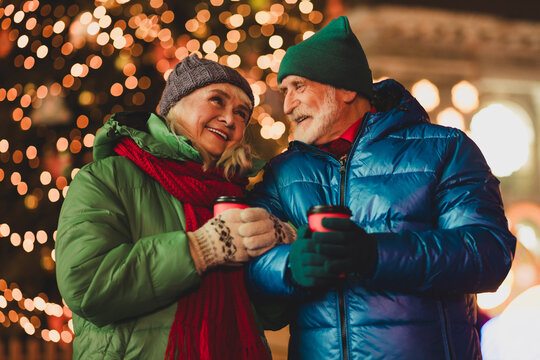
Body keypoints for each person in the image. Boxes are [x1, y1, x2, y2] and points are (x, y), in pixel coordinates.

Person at [245, 16, 516, 359]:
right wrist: (288, 266)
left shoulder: (444, 150)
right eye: (284, 91)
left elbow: (489, 253)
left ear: (345, 88)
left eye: (299, 86)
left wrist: (374, 254)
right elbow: (247, 263)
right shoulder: (283, 173)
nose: (286, 105)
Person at [55, 54, 295, 360]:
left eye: (241, 113)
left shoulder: (240, 198)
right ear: (174, 106)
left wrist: (283, 250)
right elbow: (86, 286)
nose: (230, 119)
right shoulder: (107, 178)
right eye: (216, 100)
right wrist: (199, 249)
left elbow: (269, 315)